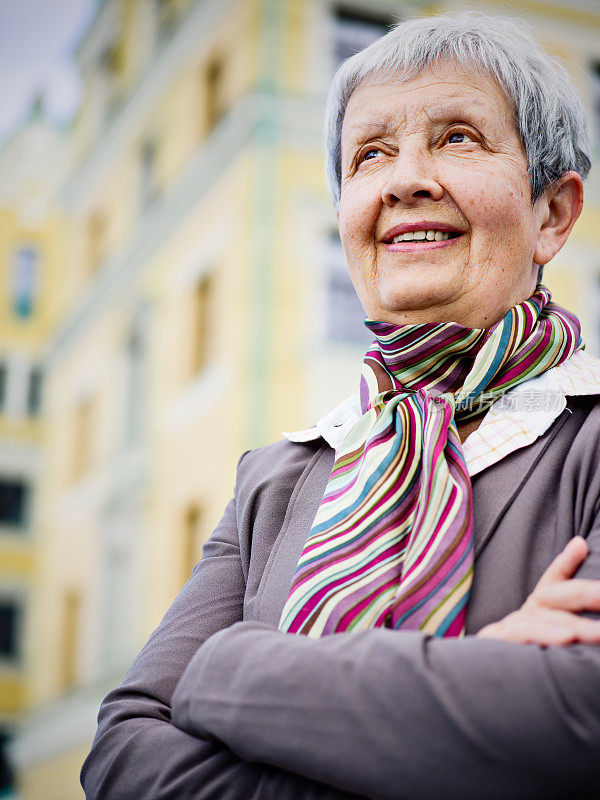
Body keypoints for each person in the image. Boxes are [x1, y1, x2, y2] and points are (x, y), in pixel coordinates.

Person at [82, 13, 600, 800]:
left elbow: (580, 715)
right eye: (371, 154)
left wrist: (231, 664)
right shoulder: (273, 481)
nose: (404, 181)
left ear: (552, 214)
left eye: (458, 137)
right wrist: (470, 691)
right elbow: (123, 756)